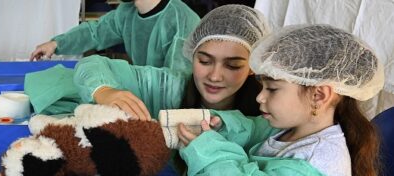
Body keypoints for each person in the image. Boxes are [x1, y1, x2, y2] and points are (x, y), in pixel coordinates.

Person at [177, 24, 384, 176]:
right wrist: (224, 126)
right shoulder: (294, 128)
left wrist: (213, 157)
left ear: (319, 95)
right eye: (262, 86)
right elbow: (256, 130)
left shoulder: (316, 165)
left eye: (272, 89)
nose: (260, 97)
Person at [73, 4, 271, 120]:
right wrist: (104, 91)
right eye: (204, 61)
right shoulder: (171, 87)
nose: (215, 76)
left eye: (232, 65)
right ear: (191, 55)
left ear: (253, 66)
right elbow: (91, 65)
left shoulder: (266, 115)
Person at [29, 0, 200, 75]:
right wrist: (56, 43)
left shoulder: (181, 20)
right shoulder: (127, 12)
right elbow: (95, 32)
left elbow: (177, 83)